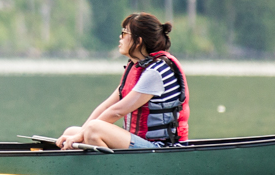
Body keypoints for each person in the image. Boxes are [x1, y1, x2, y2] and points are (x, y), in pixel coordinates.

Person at [59, 11, 189, 150]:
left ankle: (112, 171)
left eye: (124, 33)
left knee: (94, 130)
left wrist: (82, 134)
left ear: (138, 41)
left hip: (162, 148)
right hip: (142, 144)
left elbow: (117, 111)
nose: (120, 37)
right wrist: (79, 134)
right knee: (71, 132)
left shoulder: (156, 72)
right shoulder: (136, 68)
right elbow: (106, 107)